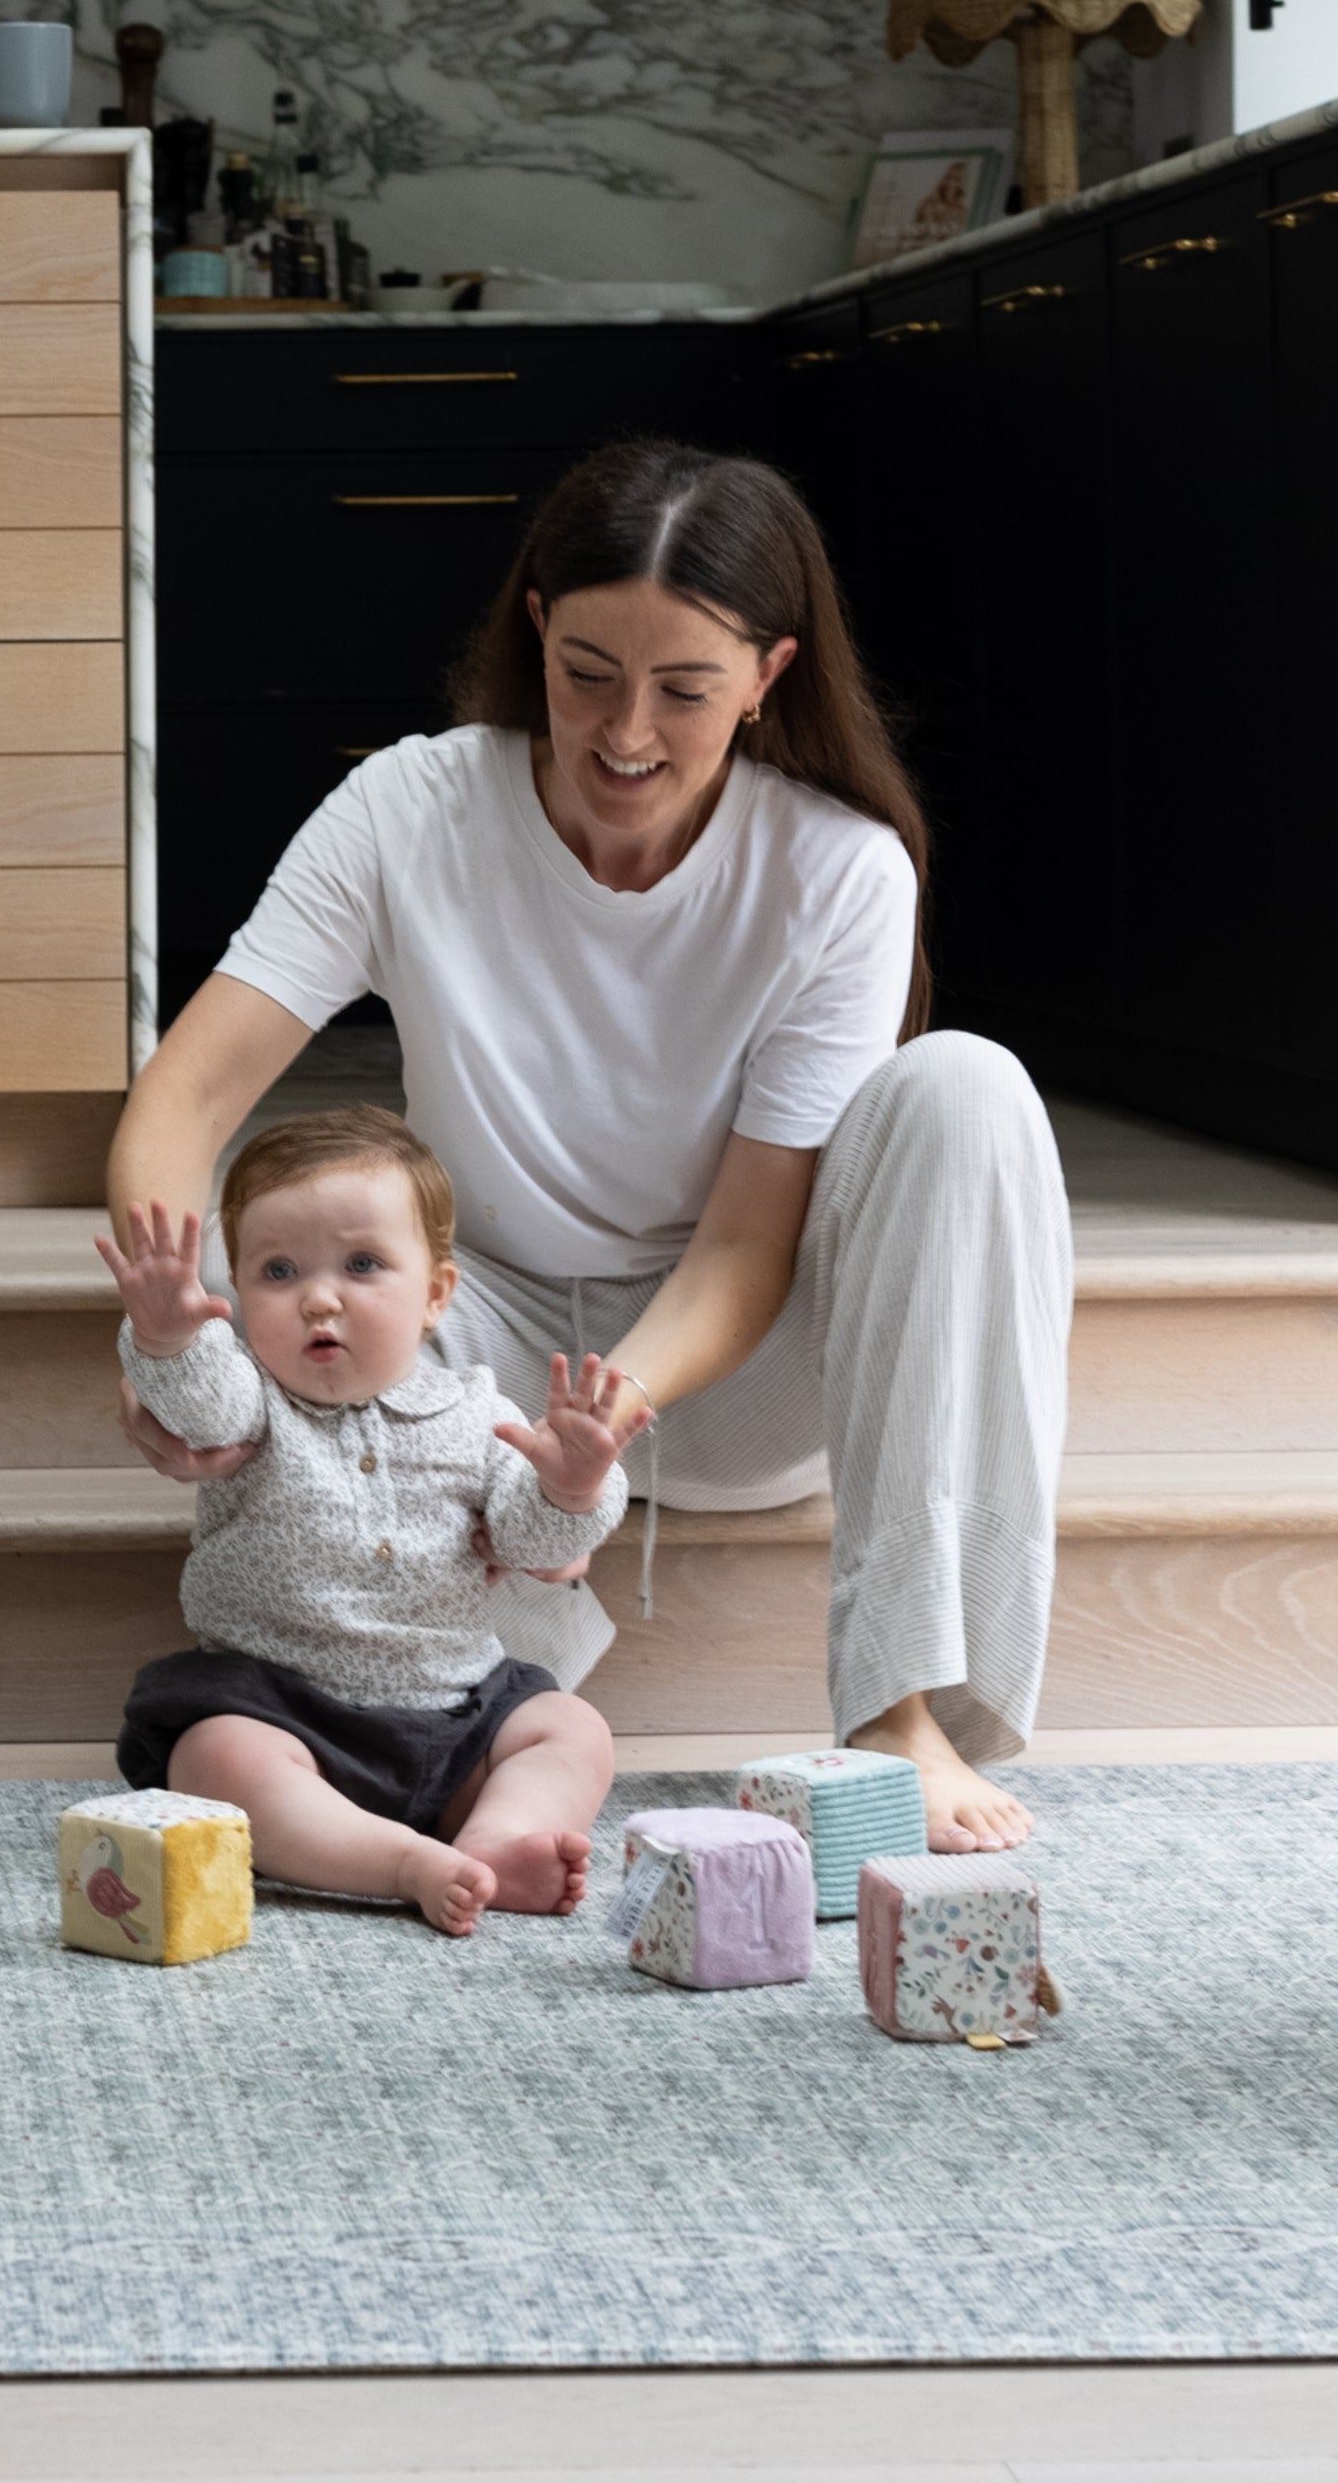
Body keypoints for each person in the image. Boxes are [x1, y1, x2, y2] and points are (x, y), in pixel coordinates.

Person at [108, 439, 1071, 1852]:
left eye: (685, 690)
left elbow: (748, 1246)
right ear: (535, 630)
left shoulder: (839, 869)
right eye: (587, 674)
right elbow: (187, 1100)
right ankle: (394, 1733)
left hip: (727, 1365)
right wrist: (164, 1329)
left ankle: (898, 1710)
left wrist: (597, 1422)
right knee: (349, 1275)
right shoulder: (409, 809)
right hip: (466, 1348)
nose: (627, 733)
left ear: (767, 674)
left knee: (967, 1090)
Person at [100, 1106, 636, 1939]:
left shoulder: (477, 1413)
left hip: (459, 1709)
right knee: (213, 1759)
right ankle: (400, 1862)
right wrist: (169, 1337)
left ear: (435, 1295)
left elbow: (530, 1545)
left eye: (361, 1264)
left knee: (572, 1729)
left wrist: (570, 1488)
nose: (319, 1297)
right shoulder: (255, 1402)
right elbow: (199, 1405)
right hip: (285, 1710)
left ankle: (493, 1841)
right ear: (236, 1294)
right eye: (278, 1271)